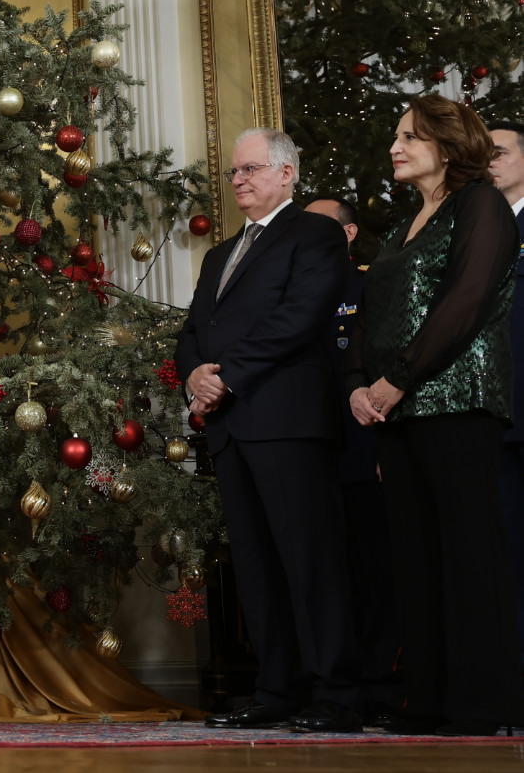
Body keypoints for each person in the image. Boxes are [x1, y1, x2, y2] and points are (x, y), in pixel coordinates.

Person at [346, 96, 524, 736]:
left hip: (458, 401)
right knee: (415, 556)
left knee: (467, 552)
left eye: (410, 137)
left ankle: (480, 703)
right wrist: (358, 385)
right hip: (396, 410)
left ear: (448, 147)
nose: (395, 147)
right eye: (396, 136)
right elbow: (371, 313)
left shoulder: (482, 205)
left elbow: (467, 300)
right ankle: (426, 700)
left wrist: (397, 380)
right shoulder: (404, 224)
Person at [176, 128, 360, 733]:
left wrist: (224, 377)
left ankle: (336, 695)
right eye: (235, 172)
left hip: (288, 421)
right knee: (256, 565)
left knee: (310, 560)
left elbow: (298, 318)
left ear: (286, 173)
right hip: (231, 427)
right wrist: (194, 375)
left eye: (251, 169)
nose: (239, 180)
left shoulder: (315, 233)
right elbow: (193, 332)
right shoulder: (220, 254)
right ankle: (277, 689)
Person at [303, 195, 400, 724]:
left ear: (349, 233)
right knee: (324, 576)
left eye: (321, 227)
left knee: (375, 575)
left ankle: (381, 688)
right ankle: (328, 689)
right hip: (308, 453)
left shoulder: (369, 285)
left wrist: (388, 447)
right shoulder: (293, 290)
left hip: (363, 449)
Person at [489, 119, 524, 669]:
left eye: (497, 152)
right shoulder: (479, 228)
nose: (487, 161)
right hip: (492, 416)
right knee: (504, 550)